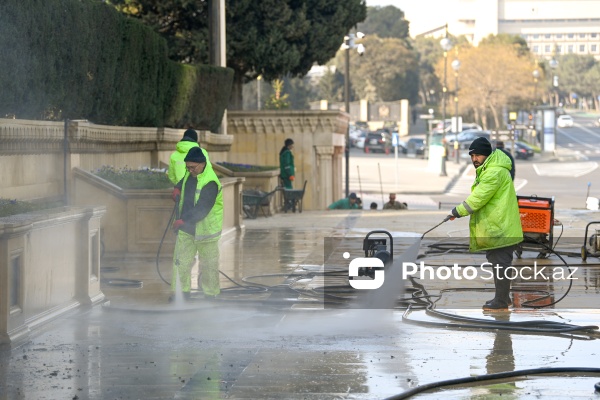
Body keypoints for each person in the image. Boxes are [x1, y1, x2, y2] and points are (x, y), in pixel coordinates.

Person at [447, 137, 523, 311]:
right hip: (498, 225)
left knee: (500, 264)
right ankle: (503, 298)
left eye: (478, 155)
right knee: (498, 262)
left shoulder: (493, 172)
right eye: (472, 155)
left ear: (487, 155)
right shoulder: (490, 168)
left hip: (500, 227)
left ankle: (501, 302)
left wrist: (457, 211)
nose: (474, 159)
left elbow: (478, 198)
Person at [170, 147, 223, 301]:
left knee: (209, 266)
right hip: (187, 228)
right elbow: (183, 181)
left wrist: (184, 220)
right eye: (188, 167)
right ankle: (181, 294)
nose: (190, 170)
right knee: (181, 262)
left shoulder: (210, 182)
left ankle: (211, 295)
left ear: (202, 164)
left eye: (193, 167)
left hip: (205, 230)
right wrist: (177, 188)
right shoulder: (190, 173)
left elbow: (203, 208)